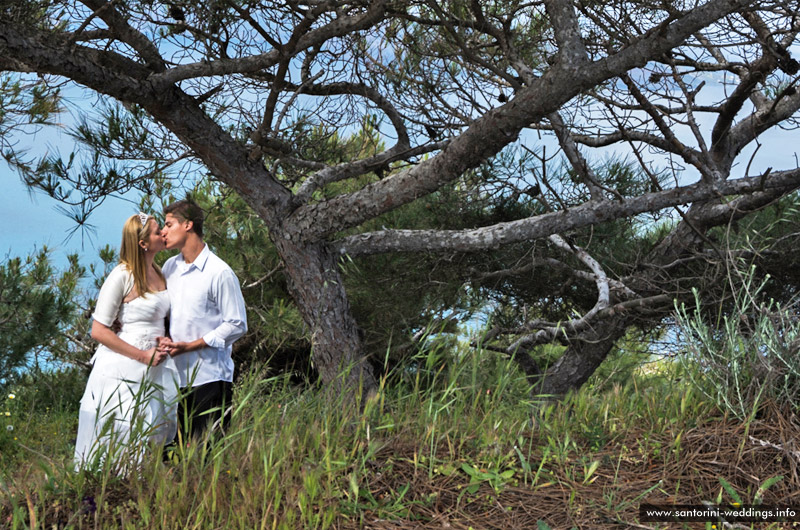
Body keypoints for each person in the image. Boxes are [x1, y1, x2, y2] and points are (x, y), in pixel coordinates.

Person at [75, 213, 178, 469]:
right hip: (125, 363)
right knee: (121, 425)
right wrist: (142, 356)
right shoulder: (122, 275)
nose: (163, 234)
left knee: (152, 425)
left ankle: (145, 487)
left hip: (157, 364)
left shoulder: (160, 272)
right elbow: (98, 330)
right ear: (143, 243)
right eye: (157, 232)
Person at [158, 198, 247, 441]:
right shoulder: (168, 268)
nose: (162, 232)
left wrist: (192, 345)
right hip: (173, 379)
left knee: (205, 457)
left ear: (188, 225)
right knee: (172, 458)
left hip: (209, 378)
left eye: (168, 224)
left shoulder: (219, 272)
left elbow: (237, 324)